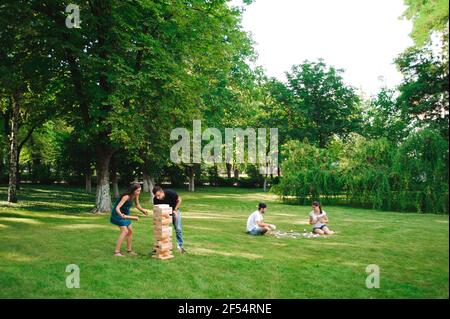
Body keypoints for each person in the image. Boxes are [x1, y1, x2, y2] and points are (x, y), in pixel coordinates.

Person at [110, 183, 150, 257]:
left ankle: (129, 250)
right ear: (133, 190)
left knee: (130, 231)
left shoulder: (136, 195)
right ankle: (116, 252)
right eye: (138, 190)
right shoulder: (126, 196)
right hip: (118, 214)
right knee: (125, 231)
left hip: (126, 214)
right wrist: (121, 215)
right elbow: (117, 208)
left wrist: (143, 211)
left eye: (140, 190)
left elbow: (137, 205)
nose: (139, 192)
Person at [152, 186, 186, 253]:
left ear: (162, 192)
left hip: (174, 211)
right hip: (164, 213)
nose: (157, 198)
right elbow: (157, 209)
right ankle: (160, 247)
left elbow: (179, 199)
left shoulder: (170, 193)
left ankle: (180, 247)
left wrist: (175, 210)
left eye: (158, 195)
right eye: (156, 196)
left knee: (178, 228)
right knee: (161, 230)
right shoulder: (155, 199)